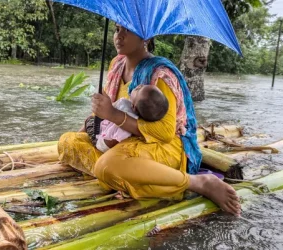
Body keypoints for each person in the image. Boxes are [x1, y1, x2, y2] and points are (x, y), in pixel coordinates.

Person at [58, 24, 241, 216]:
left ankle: (196, 182)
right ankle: (131, 175)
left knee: (106, 167)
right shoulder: (116, 65)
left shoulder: (160, 75)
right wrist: (86, 129)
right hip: (120, 141)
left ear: (146, 37)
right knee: (67, 142)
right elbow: (103, 113)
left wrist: (114, 115)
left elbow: (165, 132)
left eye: (127, 30)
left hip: (161, 146)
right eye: (117, 29)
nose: (119, 36)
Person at [85, 85, 169, 153]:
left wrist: (100, 142)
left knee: (89, 120)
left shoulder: (128, 127)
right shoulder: (127, 105)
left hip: (101, 142)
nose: (139, 86)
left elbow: (111, 143)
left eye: (138, 90)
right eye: (143, 85)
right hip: (105, 127)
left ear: (134, 107)